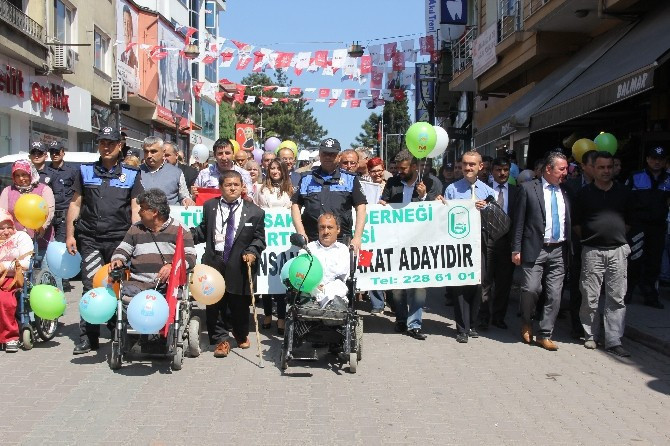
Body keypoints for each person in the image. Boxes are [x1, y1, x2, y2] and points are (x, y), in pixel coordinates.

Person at [66, 126, 143, 355]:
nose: (106, 147)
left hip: (119, 240)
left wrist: (135, 239)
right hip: (90, 238)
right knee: (90, 285)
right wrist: (70, 235)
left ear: (120, 146)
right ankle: (88, 338)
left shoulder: (132, 174)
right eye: (102, 143)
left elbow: (135, 209)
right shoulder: (84, 171)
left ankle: (118, 331)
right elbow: (75, 204)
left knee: (118, 286)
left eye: (110, 143)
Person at [191, 170, 266, 358]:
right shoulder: (210, 206)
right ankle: (221, 340)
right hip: (214, 260)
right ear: (220, 187)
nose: (232, 188)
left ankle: (240, 333)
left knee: (239, 304)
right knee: (215, 302)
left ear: (242, 187)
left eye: (236, 185)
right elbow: (203, 231)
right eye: (228, 185)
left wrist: (252, 251)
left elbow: (259, 239)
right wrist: (183, 236)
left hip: (240, 262)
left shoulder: (255, 212)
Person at [573, 152, 632, 357]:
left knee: (617, 297)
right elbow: (577, 223)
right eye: (601, 167)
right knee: (590, 296)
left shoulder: (624, 192)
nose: (606, 171)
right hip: (592, 251)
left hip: (618, 250)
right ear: (593, 169)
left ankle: (613, 340)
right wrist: (592, 238)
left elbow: (630, 221)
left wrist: (615, 235)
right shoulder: (584, 193)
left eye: (609, 167)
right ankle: (591, 335)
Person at [380, 150, 442, 340]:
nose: (399, 171)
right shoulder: (392, 183)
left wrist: (424, 197)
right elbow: (384, 202)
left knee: (419, 286)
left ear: (414, 167)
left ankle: (414, 324)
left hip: (420, 242)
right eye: (397, 168)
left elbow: (437, 211)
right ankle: (401, 319)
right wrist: (381, 205)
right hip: (397, 241)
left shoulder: (431, 183)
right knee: (397, 285)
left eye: (403, 168)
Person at [512, 151, 571, 351]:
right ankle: (527, 321)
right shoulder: (528, 189)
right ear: (548, 169)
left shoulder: (566, 190)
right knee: (530, 289)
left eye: (566, 169)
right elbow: (519, 222)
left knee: (554, 294)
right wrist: (516, 248)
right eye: (562, 169)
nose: (565, 172)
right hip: (534, 248)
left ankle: (545, 334)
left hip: (559, 249)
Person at [445, 151, 495, 343]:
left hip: (480, 242)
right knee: (460, 286)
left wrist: (486, 209)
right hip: (458, 243)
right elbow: (444, 216)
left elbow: (494, 220)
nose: (468, 168)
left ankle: (473, 324)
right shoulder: (452, 189)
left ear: (480, 166)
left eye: (472, 164)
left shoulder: (488, 192)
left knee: (477, 284)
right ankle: (461, 328)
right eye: (465, 164)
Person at [110, 189, 197, 296]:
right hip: (137, 286)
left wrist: (173, 266)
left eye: (142, 209)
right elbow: (123, 249)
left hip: (168, 288)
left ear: (155, 212)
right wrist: (118, 259)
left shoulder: (180, 229)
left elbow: (191, 257)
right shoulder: (135, 229)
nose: (139, 212)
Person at [291, 138, 367, 252]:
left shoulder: (350, 179)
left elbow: (361, 207)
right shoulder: (306, 178)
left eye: (332, 154)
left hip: (341, 241)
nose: (328, 157)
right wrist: (301, 232)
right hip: (312, 240)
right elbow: (295, 206)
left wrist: (357, 237)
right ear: (320, 155)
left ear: (339, 157)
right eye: (325, 153)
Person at [625, 146, 670, 309]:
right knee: (634, 259)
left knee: (654, 261)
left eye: (660, 159)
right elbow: (626, 201)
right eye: (654, 158)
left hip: (658, 227)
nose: (657, 162)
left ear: (665, 161)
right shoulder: (636, 176)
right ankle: (627, 292)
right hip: (638, 226)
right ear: (648, 159)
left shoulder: (668, 179)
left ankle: (650, 295)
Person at [477, 157, 519, 330]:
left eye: (505, 170)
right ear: (491, 171)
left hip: (507, 243)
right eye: (498, 170)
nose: (502, 173)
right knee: (485, 281)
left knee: (504, 282)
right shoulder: (483, 190)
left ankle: (499, 317)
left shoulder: (517, 191)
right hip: (487, 240)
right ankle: (483, 317)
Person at [254, 159, 292, 334]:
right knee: (266, 279)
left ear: (283, 171)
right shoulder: (261, 190)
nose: (275, 171)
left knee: (281, 280)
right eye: (272, 168)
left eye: (278, 168)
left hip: (282, 242)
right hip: (266, 239)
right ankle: (268, 314)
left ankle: (281, 318)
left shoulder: (290, 190)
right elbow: (256, 211)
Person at [563, 149, 598, 338]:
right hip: (577, 243)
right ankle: (577, 326)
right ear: (584, 166)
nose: (599, 170)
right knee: (577, 285)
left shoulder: (609, 188)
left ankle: (593, 326)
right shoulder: (571, 186)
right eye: (594, 166)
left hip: (600, 244)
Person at [0, 160, 55, 251]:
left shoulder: (44, 189)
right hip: (16, 244)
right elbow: (3, 214)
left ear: (31, 174)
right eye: (17, 175)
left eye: (24, 174)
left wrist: (43, 227)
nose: (21, 178)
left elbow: (49, 211)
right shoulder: (7, 191)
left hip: (41, 242)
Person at [0, 209, 33, 353]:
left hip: (14, 277)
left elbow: (26, 263)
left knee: (4, 300)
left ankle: (10, 337)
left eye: (9, 227)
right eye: (1, 228)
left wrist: (4, 266)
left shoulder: (21, 237)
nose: (6, 231)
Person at [303, 213, 350, 310]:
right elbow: (301, 272)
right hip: (311, 291)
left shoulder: (343, 250)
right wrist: (315, 285)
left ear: (338, 229)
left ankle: (324, 302)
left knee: (339, 287)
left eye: (330, 227)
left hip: (335, 292)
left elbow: (340, 275)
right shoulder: (308, 249)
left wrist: (324, 288)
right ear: (318, 229)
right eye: (322, 227)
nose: (326, 231)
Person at [139, 137, 195, 207]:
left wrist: (187, 200)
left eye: (153, 151)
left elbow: (184, 197)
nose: (149, 155)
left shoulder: (176, 173)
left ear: (163, 152)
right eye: (146, 151)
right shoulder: (137, 172)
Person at [366, 157, 388, 314]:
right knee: (370, 265)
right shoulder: (364, 187)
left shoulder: (391, 185)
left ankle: (393, 301)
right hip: (370, 233)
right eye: (373, 171)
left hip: (387, 232)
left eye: (379, 170)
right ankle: (377, 303)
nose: (377, 174)